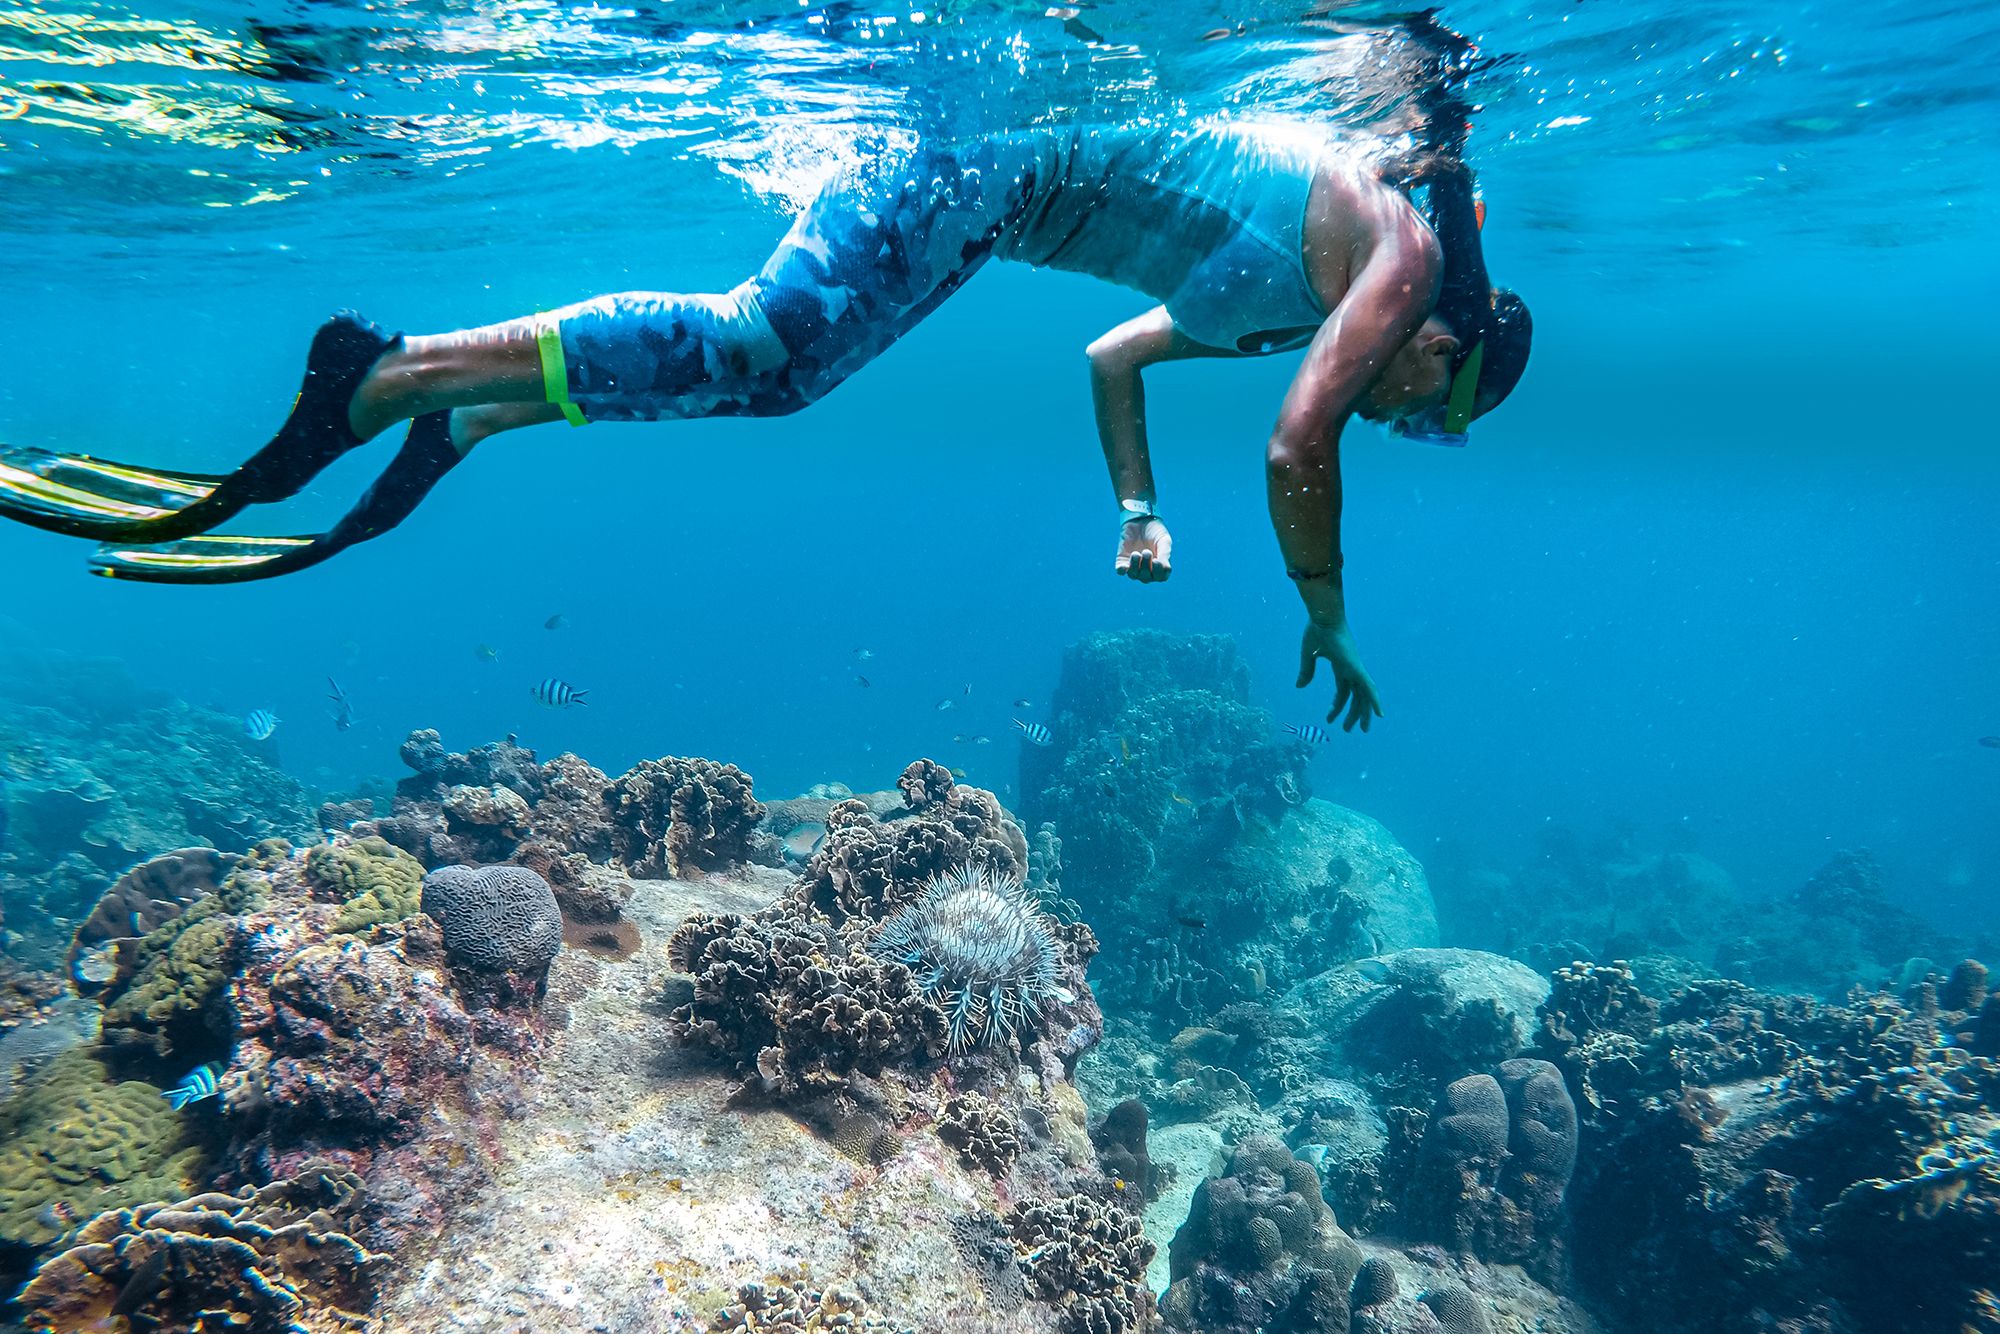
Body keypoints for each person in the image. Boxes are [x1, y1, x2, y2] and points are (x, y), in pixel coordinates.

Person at [0, 119, 1528, 732]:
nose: (1411, 419)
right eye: (1434, 412)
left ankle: (468, 417)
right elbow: (1292, 450)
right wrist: (1324, 615)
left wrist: (1134, 512)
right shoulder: (1392, 259)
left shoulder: (1290, 299)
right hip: (989, 145)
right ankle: (386, 377)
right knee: (766, 339)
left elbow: (1112, 358)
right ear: (1443, 341)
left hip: (997, 208)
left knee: (786, 371)